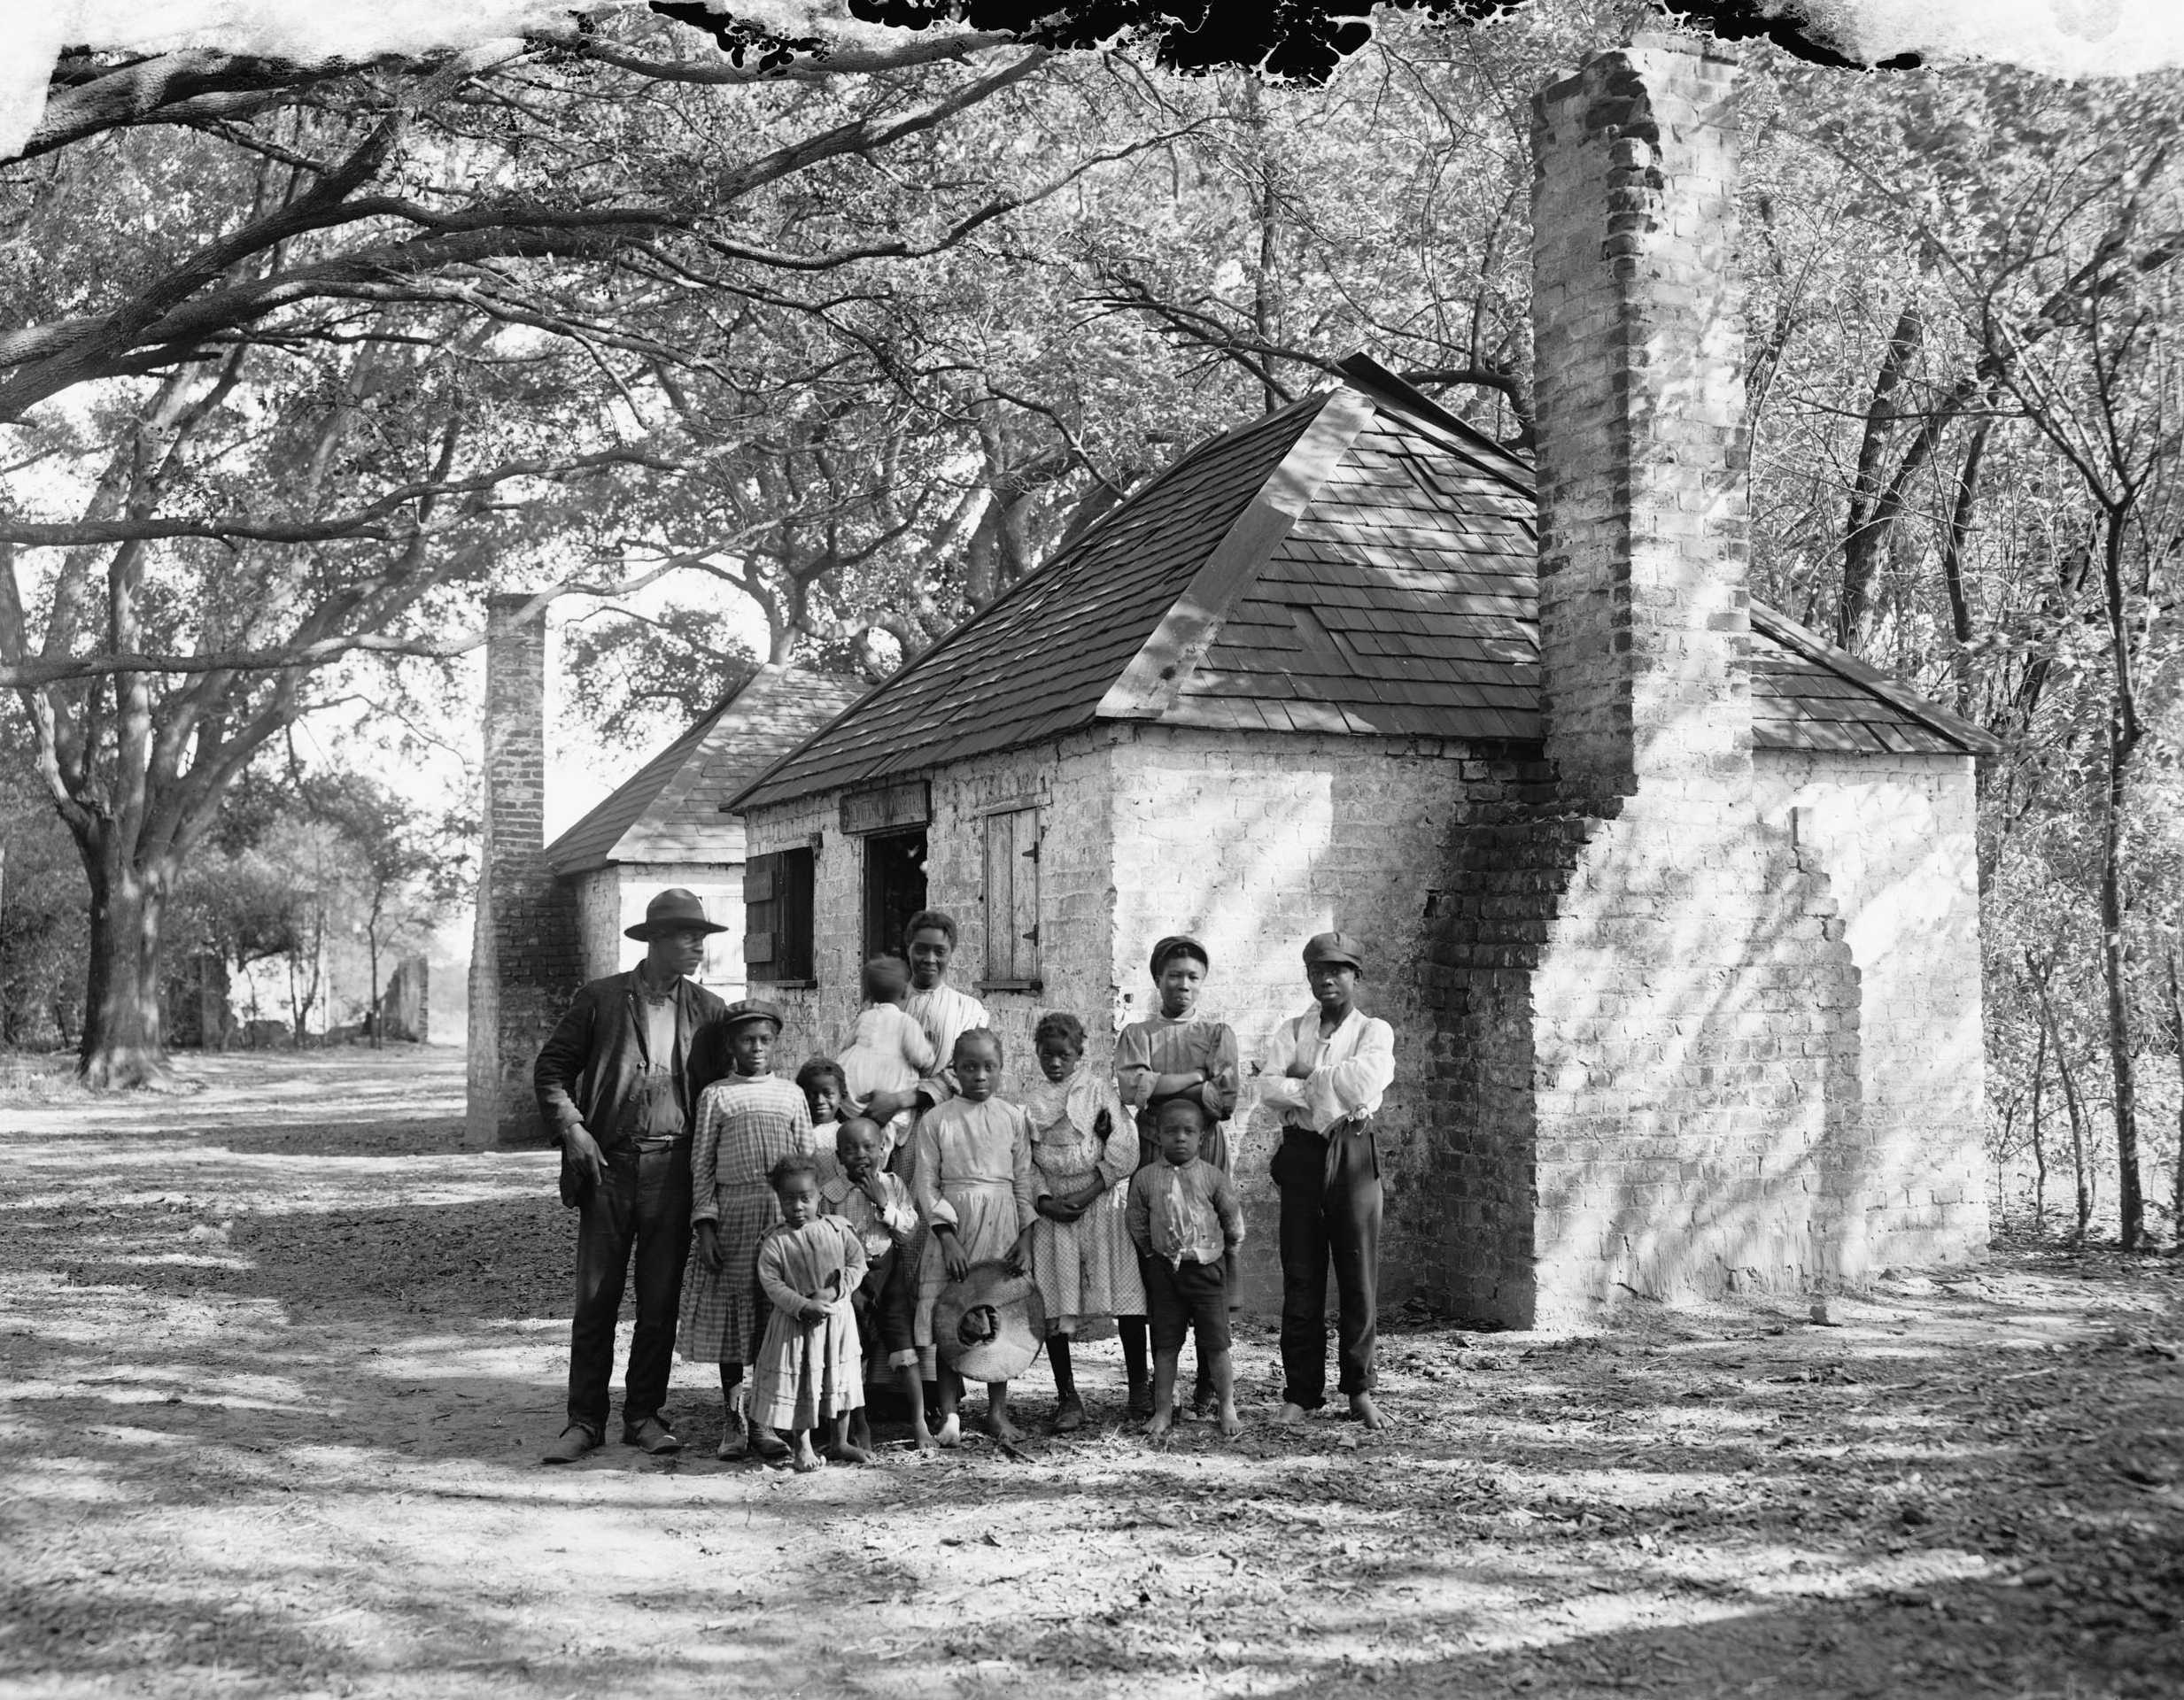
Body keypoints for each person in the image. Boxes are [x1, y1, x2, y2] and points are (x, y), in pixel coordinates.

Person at [534, 887, 730, 1464]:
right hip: (609, 1169)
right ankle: (584, 1421)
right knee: (595, 1301)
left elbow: (720, 1093)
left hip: (674, 1171)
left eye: (700, 936)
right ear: (656, 941)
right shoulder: (600, 1000)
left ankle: (645, 1415)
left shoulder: (710, 1011)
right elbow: (552, 1068)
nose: (696, 945)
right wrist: (573, 1130)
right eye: (686, 935)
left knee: (659, 1302)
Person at [1256, 931, 1396, 1431]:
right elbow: (1269, 1088)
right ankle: (1300, 1393)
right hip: (1301, 1155)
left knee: (1358, 1278)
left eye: (1337, 970)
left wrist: (1307, 1076)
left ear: (1355, 976)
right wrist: (1328, 1081)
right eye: (1317, 970)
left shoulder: (1375, 1031)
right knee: (1301, 1277)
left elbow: (1367, 1082)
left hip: (1353, 1152)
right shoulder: (1292, 1028)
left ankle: (1360, 1389)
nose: (1326, 979)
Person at [679, 999, 817, 1461]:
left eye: (765, 1040)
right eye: (746, 1040)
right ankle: (733, 1418)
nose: (756, 1048)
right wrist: (706, 1224)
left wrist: (806, 1226)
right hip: (734, 1216)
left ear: (775, 1043)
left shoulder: (791, 1095)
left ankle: (765, 1419)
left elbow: (805, 1164)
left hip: (779, 1217)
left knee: (772, 1314)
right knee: (735, 1317)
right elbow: (701, 1166)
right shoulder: (717, 1095)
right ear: (731, 1044)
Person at [1114, 934, 1239, 1418]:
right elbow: (1135, 1089)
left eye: (1192, 977)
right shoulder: (1138, 1035)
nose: (1182, 985)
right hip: (1151, 1150)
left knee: (1209, 1257)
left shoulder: (1216, 1033)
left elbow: (1223, 1100)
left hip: (1205, 1149)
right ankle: (1141, 1385)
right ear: (1156, 979)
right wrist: (1195, 1079)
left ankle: (1209, 1384)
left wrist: (1166, 1086)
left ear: (1202, 983)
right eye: (1173, 976)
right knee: (1149, 1266)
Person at [910, 1029, 1037, 1447]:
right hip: (955, 1226)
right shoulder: (937, 1120)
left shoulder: (1012, 1118)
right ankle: (950, 1415)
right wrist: (947, 1239)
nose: (979, 1075)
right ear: (955, 1070)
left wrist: (1025, 1236)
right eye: (969, 1066)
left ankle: (997, 1412)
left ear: (1001, 1069)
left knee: (999, 1315)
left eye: (989, 1066)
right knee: (951, 1315)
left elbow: (1023, 1181)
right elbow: (926, 1184)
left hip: (1000, 1222)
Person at [1022, 1011, 1143, 1433]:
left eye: (1064, 1055)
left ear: (1079, 1054)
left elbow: (1125, 1147)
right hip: (1055, 1213)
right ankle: (1067, 1396)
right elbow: (1025, 1160)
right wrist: (1044, 1199)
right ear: (1037, 1054)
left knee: (1127, 1295)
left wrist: (1091, 1189)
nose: (1056, 1063)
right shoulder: (1032, 1103)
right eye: (1048, 1055)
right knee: (1055, 1301)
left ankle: (1139, 1389)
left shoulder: (1097, 1093)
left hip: (1099, 1204)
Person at [1126, 1097, 1244, 1439]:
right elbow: (1135, 1218)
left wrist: (1226, 1254)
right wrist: (1152, 1254)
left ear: (1202, 1137)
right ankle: (1163, 1410)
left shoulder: (1212, 1177)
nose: (1180, 1138)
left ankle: (1226, 1405)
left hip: (1207, 1271)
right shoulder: (1146, 1178)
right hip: (1165, 1273)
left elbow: (1232, 1220)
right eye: (1171, 1131)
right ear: (1158, 1136)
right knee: (1165, 1344)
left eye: (1188, 1131)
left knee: (1216, 1344)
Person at [749, 1153, 869, 1472]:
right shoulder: (776, 1242)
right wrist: (803, 1306)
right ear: (779, 1199)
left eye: (806, 1198)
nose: (798, 1206)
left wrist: (834, 1291)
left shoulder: (839, 1230)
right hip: (795, 1329)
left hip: (837, 1324)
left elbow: (858, 1265)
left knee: (840, 1379)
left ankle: (840, 1441)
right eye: (789, 1200)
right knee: (802, 1384)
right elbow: (772, 1284)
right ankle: (802, 1446)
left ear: (819, 1195)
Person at [817, 1116, 930, 1452]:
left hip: (888, 1275)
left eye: (868, 1146)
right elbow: (822, 1236)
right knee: (853, 1352)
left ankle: (920, 1421)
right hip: (849, 1282)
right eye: (850, 1149)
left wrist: (883, 1202)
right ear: (838, 1155)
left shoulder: (893, 1184)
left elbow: (909, 1233)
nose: (860, 1154)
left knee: (903, 1346)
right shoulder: (830, 1193)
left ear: (883, 1148)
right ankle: (860, 1426)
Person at [836, 955, 937, 1159]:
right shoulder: (906, 1022)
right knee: (886, 1133)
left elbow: (844, 1046)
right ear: (906, 990)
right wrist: (929, 1048)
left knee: (855, 1135)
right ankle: (878, 1164)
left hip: (855, 1090)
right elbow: (920, 1057)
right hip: (888, 1089)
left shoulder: (864, 1017)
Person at [796, 1057, 848, 1137]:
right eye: (811, 1094)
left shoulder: (848, 1132)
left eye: (828, 1094)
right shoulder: (796, 1133)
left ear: (842, 1097)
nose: (819, 1101)